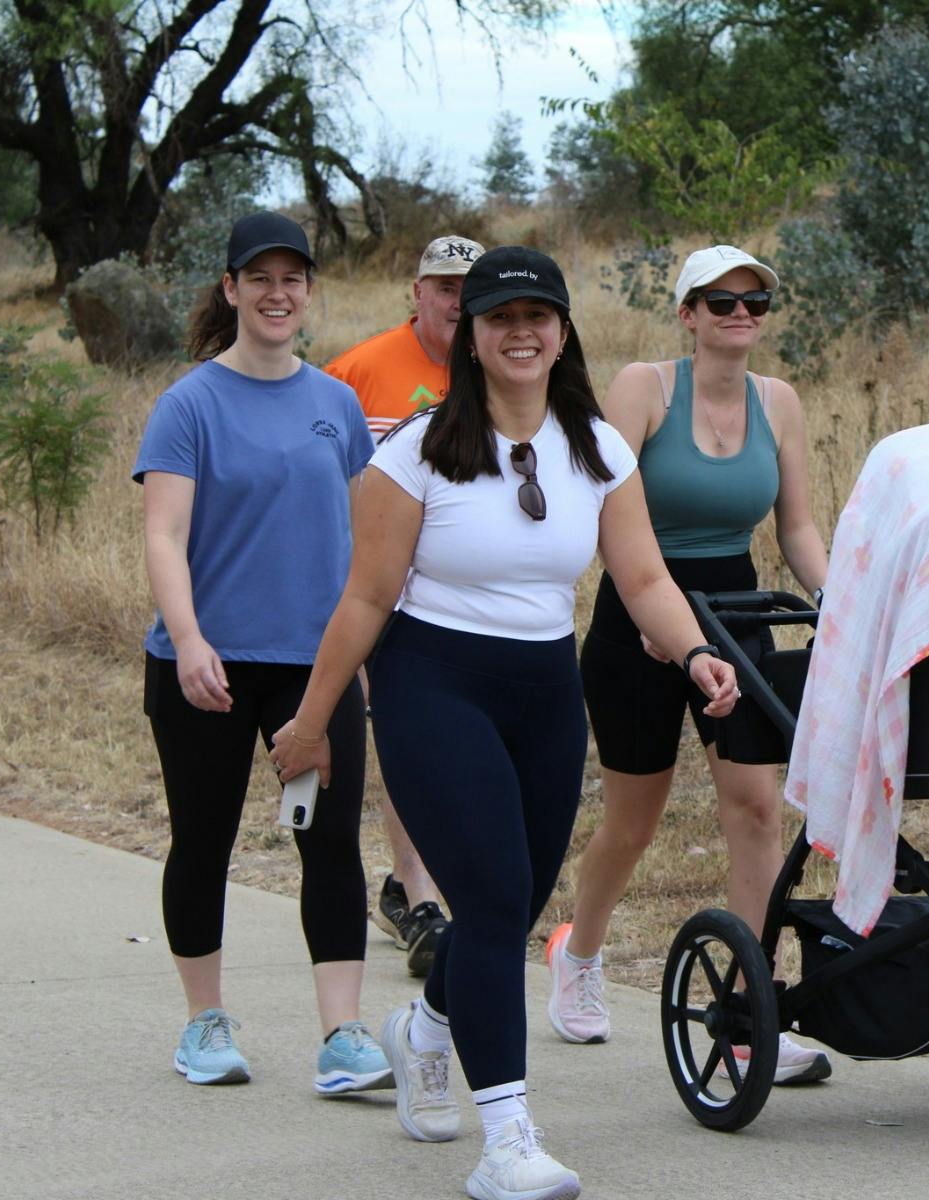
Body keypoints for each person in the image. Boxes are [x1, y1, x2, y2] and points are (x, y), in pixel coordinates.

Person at [269, 246, 740, 1200]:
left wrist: (693, 653)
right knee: (488, 901)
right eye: (499, 317)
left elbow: (643, 577)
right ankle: (508, 1139)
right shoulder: (413, 452)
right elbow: (364, 602)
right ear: (472, 338)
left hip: (542, 689)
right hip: (432, 682)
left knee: (513, 908)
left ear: (563, 332)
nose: (520, 331)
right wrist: (312, 722)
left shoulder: (599, 448)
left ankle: (427, 1031)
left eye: (539, 315)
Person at [548, 244, 832, 1084]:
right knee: (634, 819)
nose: (738, 314)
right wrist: (654, 614)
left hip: (737, 614)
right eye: (719, 301)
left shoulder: (778, 402)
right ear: (688, 313)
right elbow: (595, 502)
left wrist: (846, 602)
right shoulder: (644, 387)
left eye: (754, 302)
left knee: (756, 810)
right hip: (639, 614)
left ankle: (749, 1011)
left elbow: (798, 532)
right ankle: (580, 953)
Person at [134, 211, 390, 1094]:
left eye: (294, 279)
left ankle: (344, 1036)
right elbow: (164, 537)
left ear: (308, 291)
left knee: (328, 847)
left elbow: (364, 540)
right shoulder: (189, 403)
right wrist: (193, 638)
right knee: (201, 842)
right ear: (231, 289)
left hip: (312, 667)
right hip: (201, 667)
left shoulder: (337, 405)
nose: (278, 294)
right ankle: (204, 1023)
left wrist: (362, 651)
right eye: (261, 279)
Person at [325, 232, 485, 975]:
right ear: (416, 293)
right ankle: (420, 901)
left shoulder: (500, 369)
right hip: (380, 587)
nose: (455, 300)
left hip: (469, 594)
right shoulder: (355, 373)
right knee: (403, 736)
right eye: (443, 287)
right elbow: (320, 483)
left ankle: (413, 888)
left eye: (467, 287)